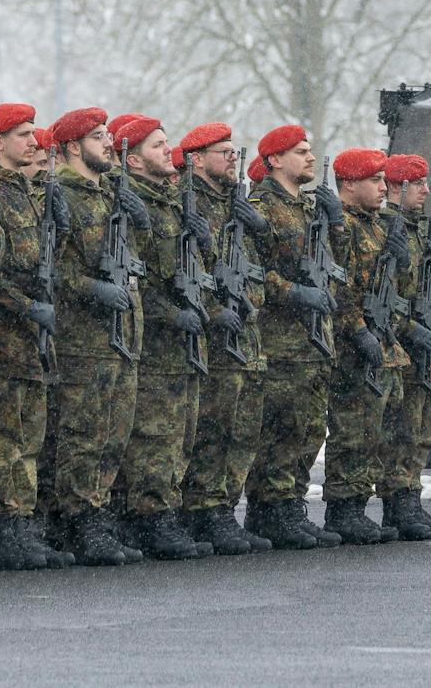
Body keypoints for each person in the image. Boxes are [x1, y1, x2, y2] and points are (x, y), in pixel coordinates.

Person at [41, 107, 144, 567]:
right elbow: (51, 268)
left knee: (112, 435)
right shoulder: (61, 194)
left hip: (121, 338)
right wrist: (92, 289)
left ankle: (97, 514)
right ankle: (76, 520)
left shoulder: (109, 195)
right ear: (70, 147)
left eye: (108, 135)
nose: (108, 143)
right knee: (83, 433)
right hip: (83, 338)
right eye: (98, 137)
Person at [0, 101, 63, 570]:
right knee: (4, 437)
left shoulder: (25, 189)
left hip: (29, 336)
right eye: (24, 134)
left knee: (28, 433)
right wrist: (26, 306)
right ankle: (1, 525)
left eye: (33, 133)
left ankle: (20, 522)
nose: (34, 141)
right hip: (5, 334)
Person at [243, 124, 342, 551]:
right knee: (279, 429)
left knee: (306, 430)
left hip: (311, 340)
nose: (309, 157)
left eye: (310, 150)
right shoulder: (260, 207)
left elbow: (329, 265)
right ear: (274, 160)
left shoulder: (307, 208)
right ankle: (269, 509)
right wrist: (292, 293)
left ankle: (291, 505)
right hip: (278, 339)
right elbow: (252, 269)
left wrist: (334, 224)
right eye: (300, 151)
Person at [111, 115, 205, 560]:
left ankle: (165, 512)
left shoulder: (172, 202)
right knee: (153, 436)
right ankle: (148, 518)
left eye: (167, 143)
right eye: (156, 146)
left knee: (180, 434)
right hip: (152, 342)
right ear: (131, 160)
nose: (168, 152)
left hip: (181, 343)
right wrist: (170, 314)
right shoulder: (131, 205)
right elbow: (136, 278)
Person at [175, 123, 271, 554]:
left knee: (241, 430)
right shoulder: (188, 202)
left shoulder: (235, 204)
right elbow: (184, 269)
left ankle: (224, 507)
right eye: (223, 152)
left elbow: (257, 267)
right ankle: (204, 510)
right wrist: (215, 310)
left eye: (234, 152)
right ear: (196, 159)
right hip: (212, 338)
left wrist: (262, 230)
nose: (233, 159)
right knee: (211, 431)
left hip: (245, 334)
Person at [321, 147, 402, 546]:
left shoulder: (376, 225)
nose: (384, 187)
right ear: (349, 184)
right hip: (351, 343)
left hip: (377, 336)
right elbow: (341, 284)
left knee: (374, 428)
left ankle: (357, 505)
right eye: (375, 180)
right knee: (352, 428)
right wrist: (356, 330)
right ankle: (343, 508)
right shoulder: (344, 225)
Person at [380, 153, 431, 540]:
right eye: (417, 183)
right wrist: (406, 327)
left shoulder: (420, 229)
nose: (425, 190)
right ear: (396, 186)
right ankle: (396, 501)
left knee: (421, 427)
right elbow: (380, 292)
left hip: (424, 336)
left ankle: (410, 496)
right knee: (401, 426)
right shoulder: (388, 229)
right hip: (399, 341)